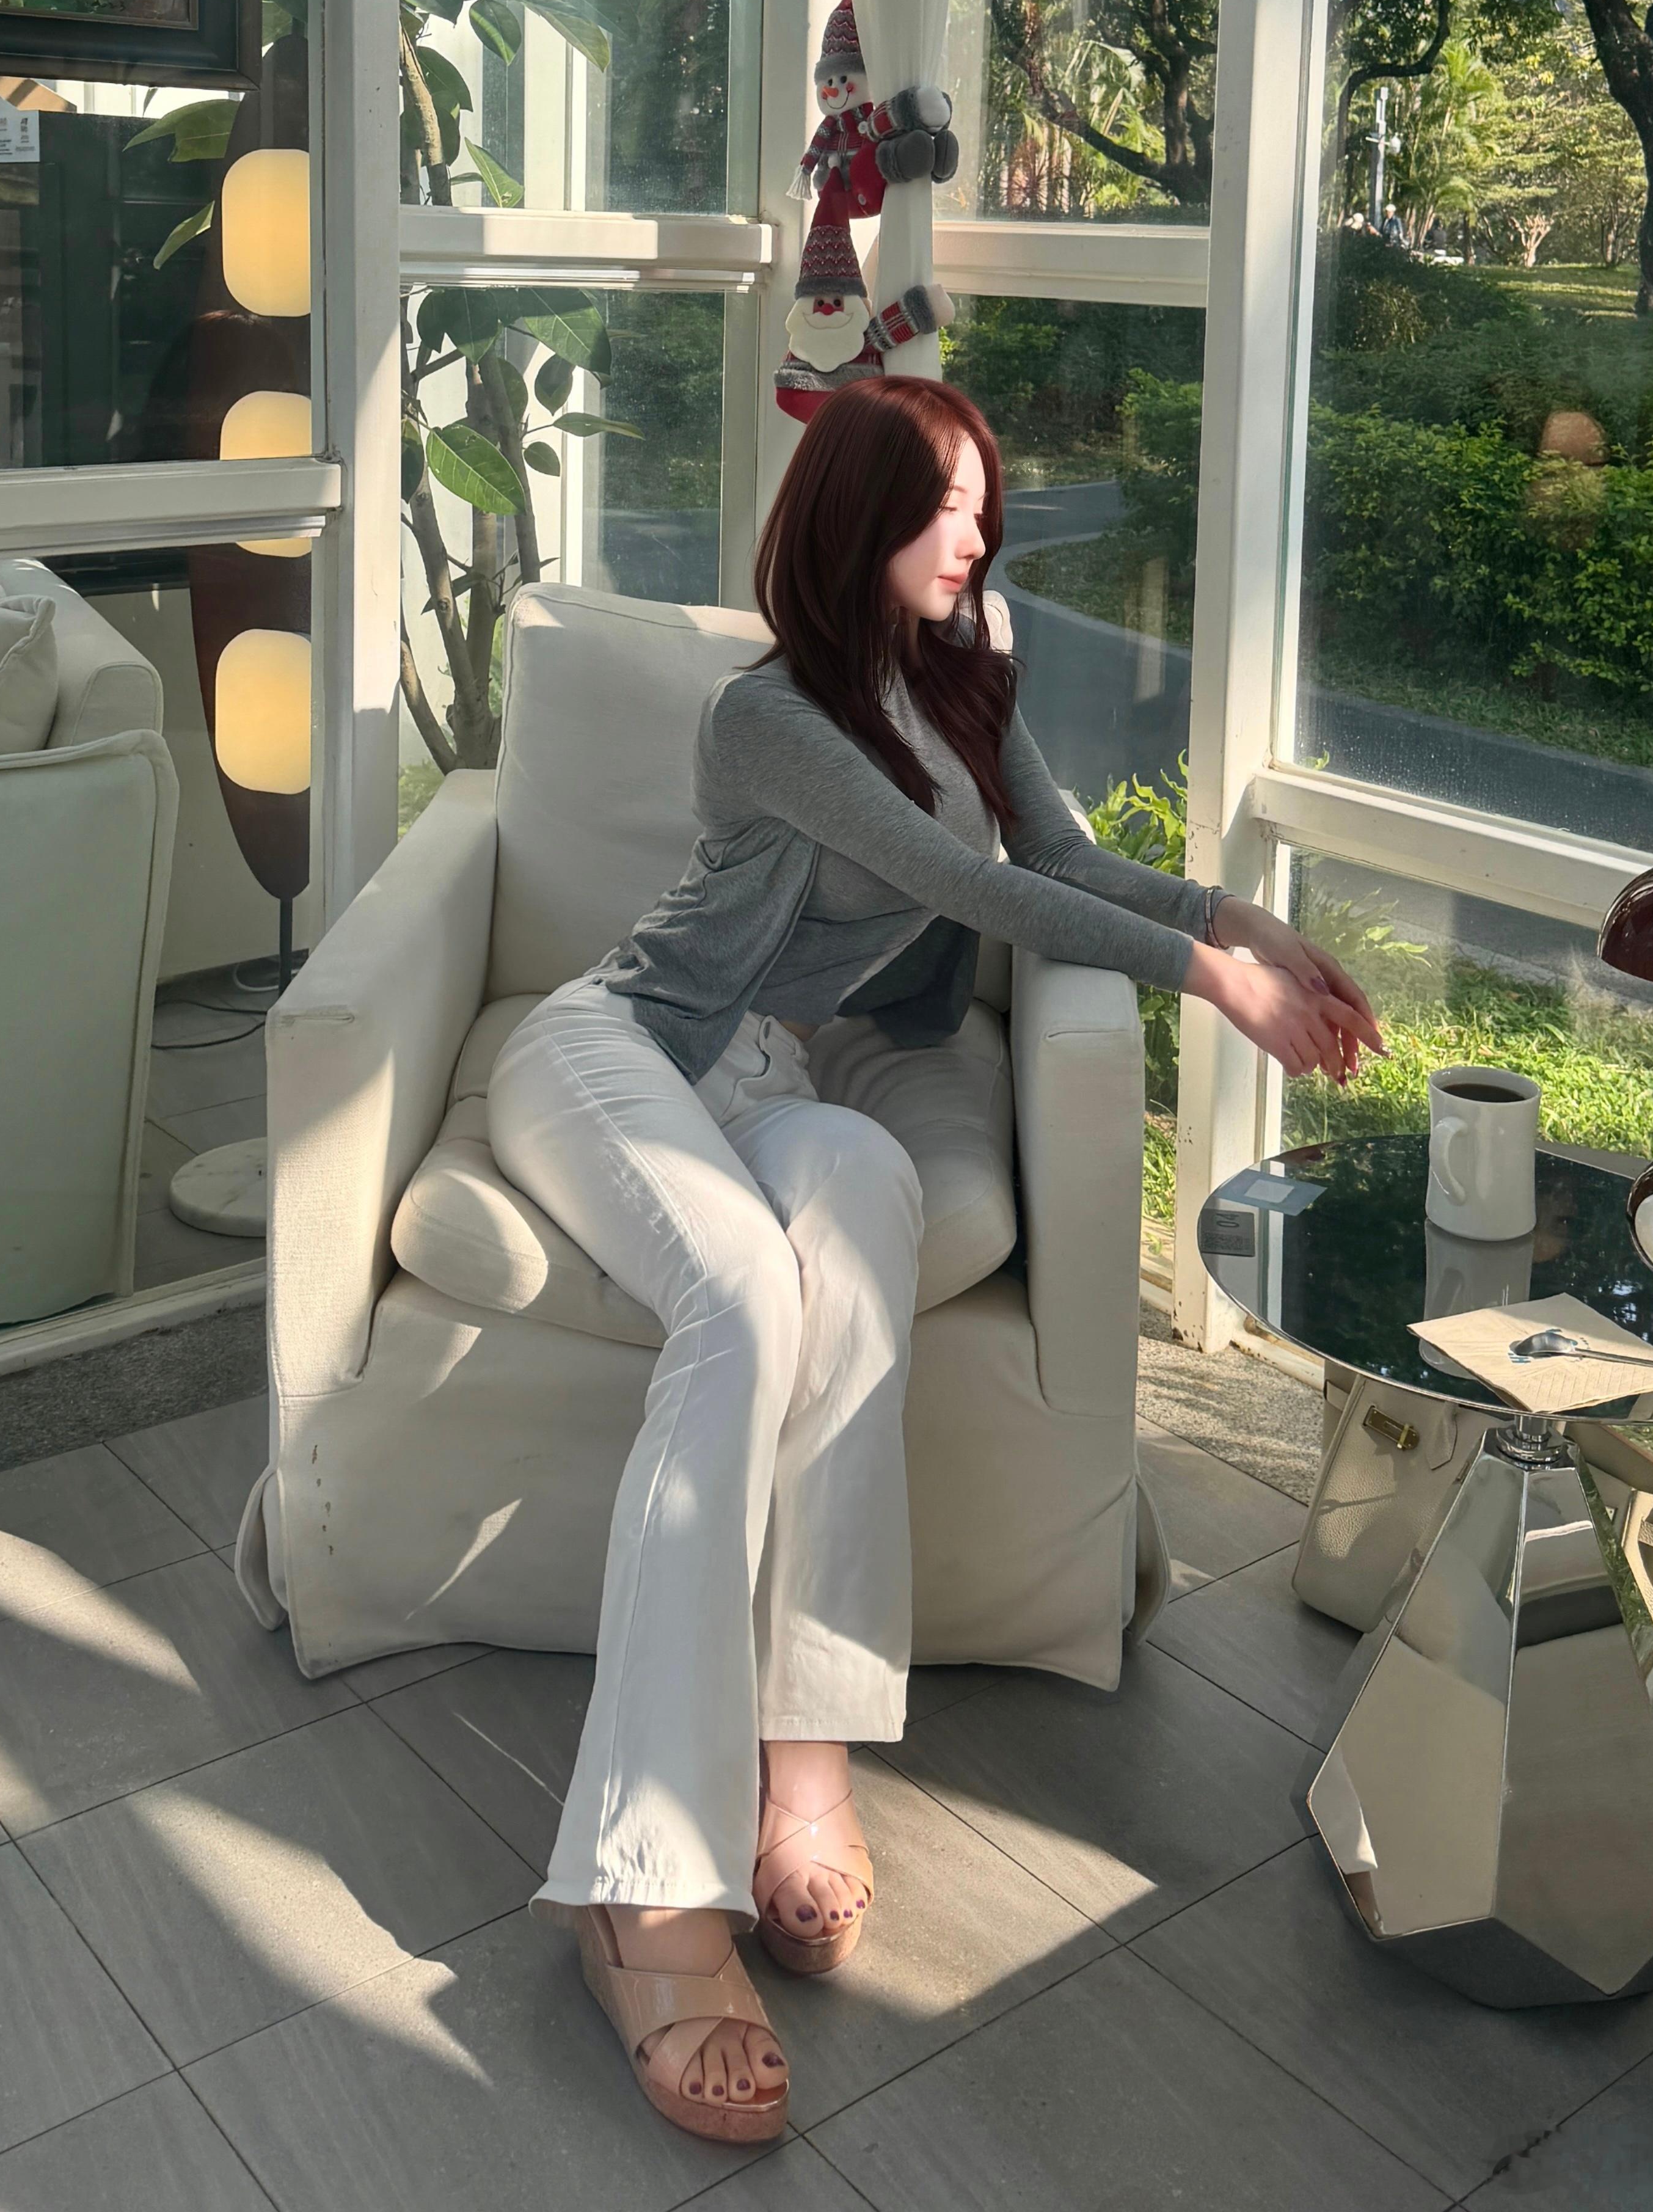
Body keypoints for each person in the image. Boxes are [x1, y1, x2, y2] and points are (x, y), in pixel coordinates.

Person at [485, 377, 1381, 2146]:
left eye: (985, 501)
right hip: (623, 1048)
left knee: (870, 1194)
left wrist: (1242, 917)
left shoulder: (968, 680)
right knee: (740, 1297)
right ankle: (643, 1888)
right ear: (855, 516)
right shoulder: (767, 716)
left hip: (767, 1078)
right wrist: (1210, 983)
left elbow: (1058, 855)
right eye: (945, 503)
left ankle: (804, 1767)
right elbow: (963, 887)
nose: (978, 535)